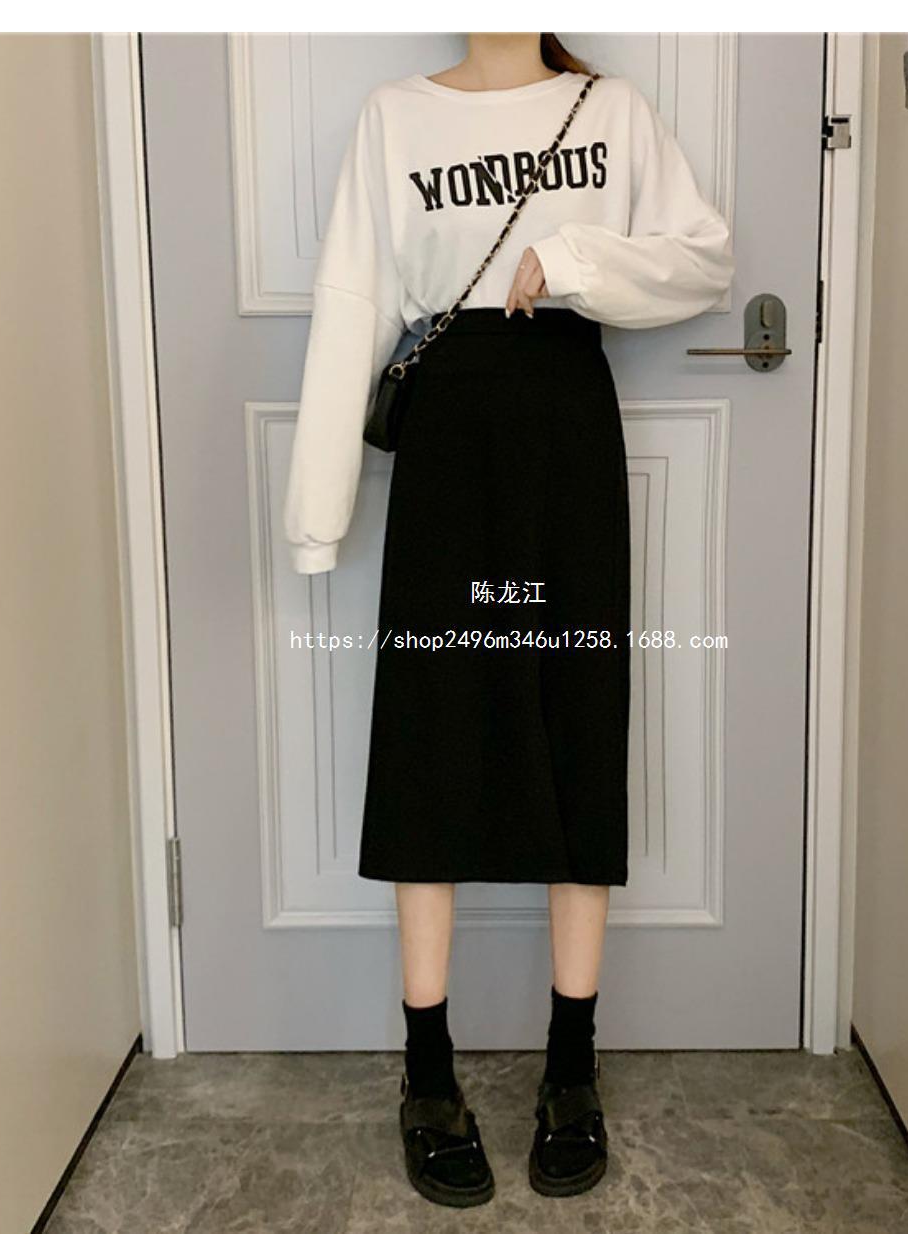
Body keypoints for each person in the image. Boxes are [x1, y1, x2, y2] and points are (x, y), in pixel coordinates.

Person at [282, 32, 734, 1207]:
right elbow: (353, 302)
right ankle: (427, 1071)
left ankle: (571, 1065)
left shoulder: (611, 109)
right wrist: (317, 513)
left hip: (566, 425)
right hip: (447, 442)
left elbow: (703, 260)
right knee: (431, 729)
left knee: (576, 716)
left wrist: (571, 257)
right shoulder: (394, 116)